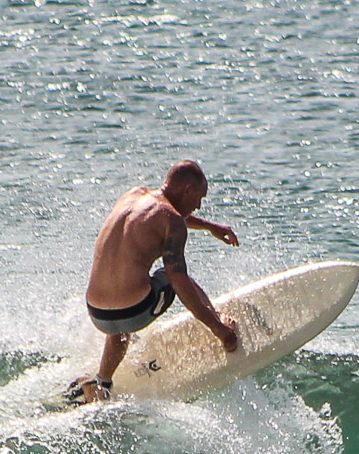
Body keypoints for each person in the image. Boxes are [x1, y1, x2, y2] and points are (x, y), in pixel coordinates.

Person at [72, 160, 240, 404]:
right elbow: (179, 281)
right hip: (133, 311)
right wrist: (220, 330)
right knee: (176, 278)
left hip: (97, 313)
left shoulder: (132, 197)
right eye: (199, 198)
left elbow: (165, 216)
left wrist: (209, 227)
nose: (199, 206)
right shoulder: (172, 221)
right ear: (187, 190)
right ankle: (221, 324)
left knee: (123, 305)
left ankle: (102, 383)